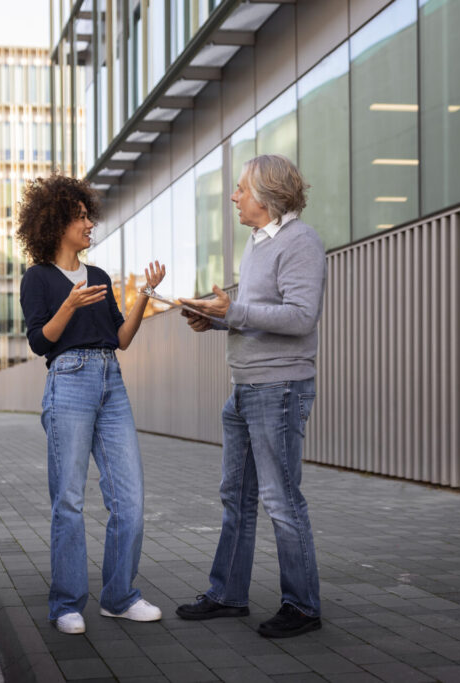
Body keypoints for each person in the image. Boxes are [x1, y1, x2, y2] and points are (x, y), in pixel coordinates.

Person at [175, 155, 327, 638]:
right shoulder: (257, 242)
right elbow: (254, 313)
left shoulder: (301, 242)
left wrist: (234, 311)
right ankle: (227, 595)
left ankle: (302, 606)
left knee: (281, 501)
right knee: (235, 498)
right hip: (244, 388)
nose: (235, 197)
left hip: (278, 389)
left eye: (241, 189)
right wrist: (213, 318)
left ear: (265, 196)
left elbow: (301, 317)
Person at [17, 173, 166, 635]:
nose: (88, 224)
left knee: (131, 498)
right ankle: (66, 603)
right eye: (79, 217)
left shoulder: (98, 276)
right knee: (69, 499)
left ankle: (119, 596)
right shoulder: (38, 278)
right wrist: (70, 304)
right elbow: (41, 342)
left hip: (110, 382)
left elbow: (120, 339)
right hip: (69, 381)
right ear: (55, 223)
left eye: (88, 216)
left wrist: (143, 295)